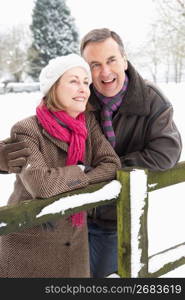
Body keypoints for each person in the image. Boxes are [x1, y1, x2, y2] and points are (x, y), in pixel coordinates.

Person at [0, 53, 121, 278]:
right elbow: (41, 184)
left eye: (86, 83)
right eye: (74, 81)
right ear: (54, 87)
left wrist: (76, 176)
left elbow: (111, 164)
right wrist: (83, 170)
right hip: (29, 246)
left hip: (75, 244)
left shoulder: (88, 125)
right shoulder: (26, 129)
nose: (83, 89)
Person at [79, 28, 182, 278]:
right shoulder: (78, 97)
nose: (105, 72)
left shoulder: (151, 99)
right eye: (95, 64)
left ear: (124, 60)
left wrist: (109, 170)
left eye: (111, 60)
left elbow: (166, 151)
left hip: (115, 219)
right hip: (71, 219)